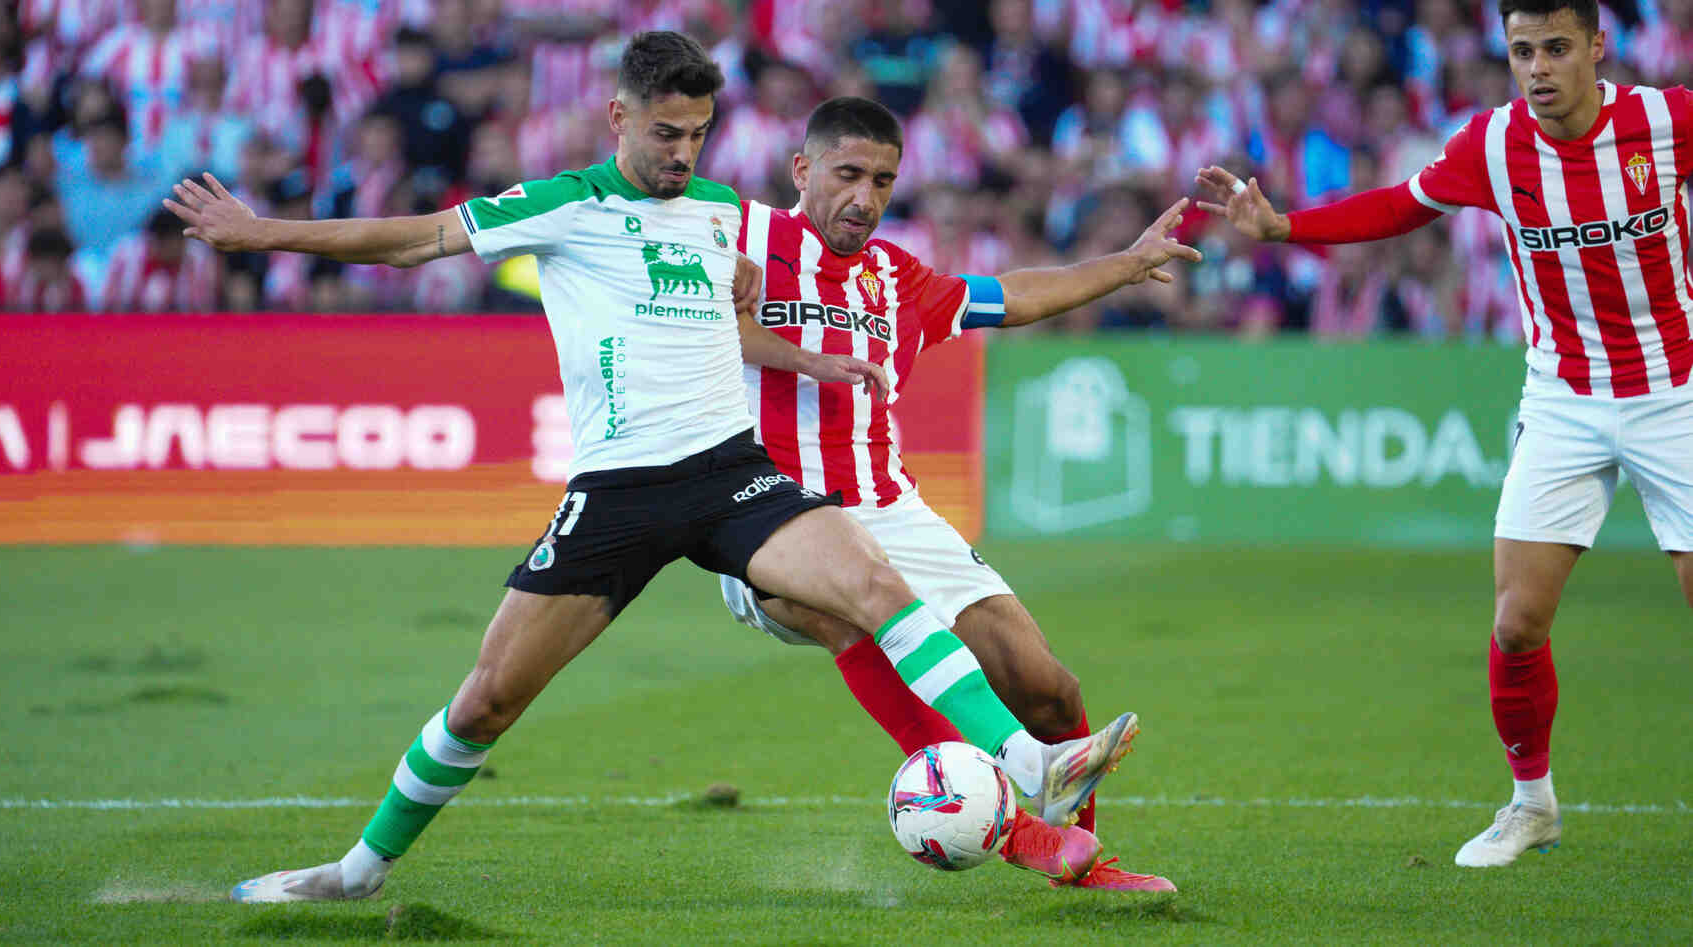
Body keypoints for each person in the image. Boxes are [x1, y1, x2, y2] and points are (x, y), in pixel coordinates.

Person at [162, 31, 1140, 903]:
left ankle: (1028, 761)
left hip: (732, 478)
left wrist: (796, 349)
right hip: (619, 493)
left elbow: (744, 309)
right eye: (666, 134)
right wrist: (265, 231)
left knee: (873, 587)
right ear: (619, 119)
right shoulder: (566, 205)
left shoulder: (720, 213)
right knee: (487, 698)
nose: (682, 154)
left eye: (698, 135)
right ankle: (356, 872)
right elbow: (418, 237)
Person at [1194, 0, 1693, 867]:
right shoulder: (1493, 144)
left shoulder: (1666, 121)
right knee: (1515, 624)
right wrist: (1283, 228)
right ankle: (1530, 804)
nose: (1539, 68)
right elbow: (1398, 207)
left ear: (1598, 49)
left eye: (1557, 49)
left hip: (1676, 394)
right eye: (1522, 49)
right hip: (1564, 399)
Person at [720, 95, 1202, 892]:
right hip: (765, 512)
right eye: (847, 174)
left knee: (1048, 686)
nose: (865, 198)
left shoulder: (895, 277)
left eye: (882, 180)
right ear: (801, 170)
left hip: (890, 508)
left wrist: (1125, 263)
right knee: (852, 618)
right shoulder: (739, 238)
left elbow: (1013, 297)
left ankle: (1084, 863)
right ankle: (1025, 833)